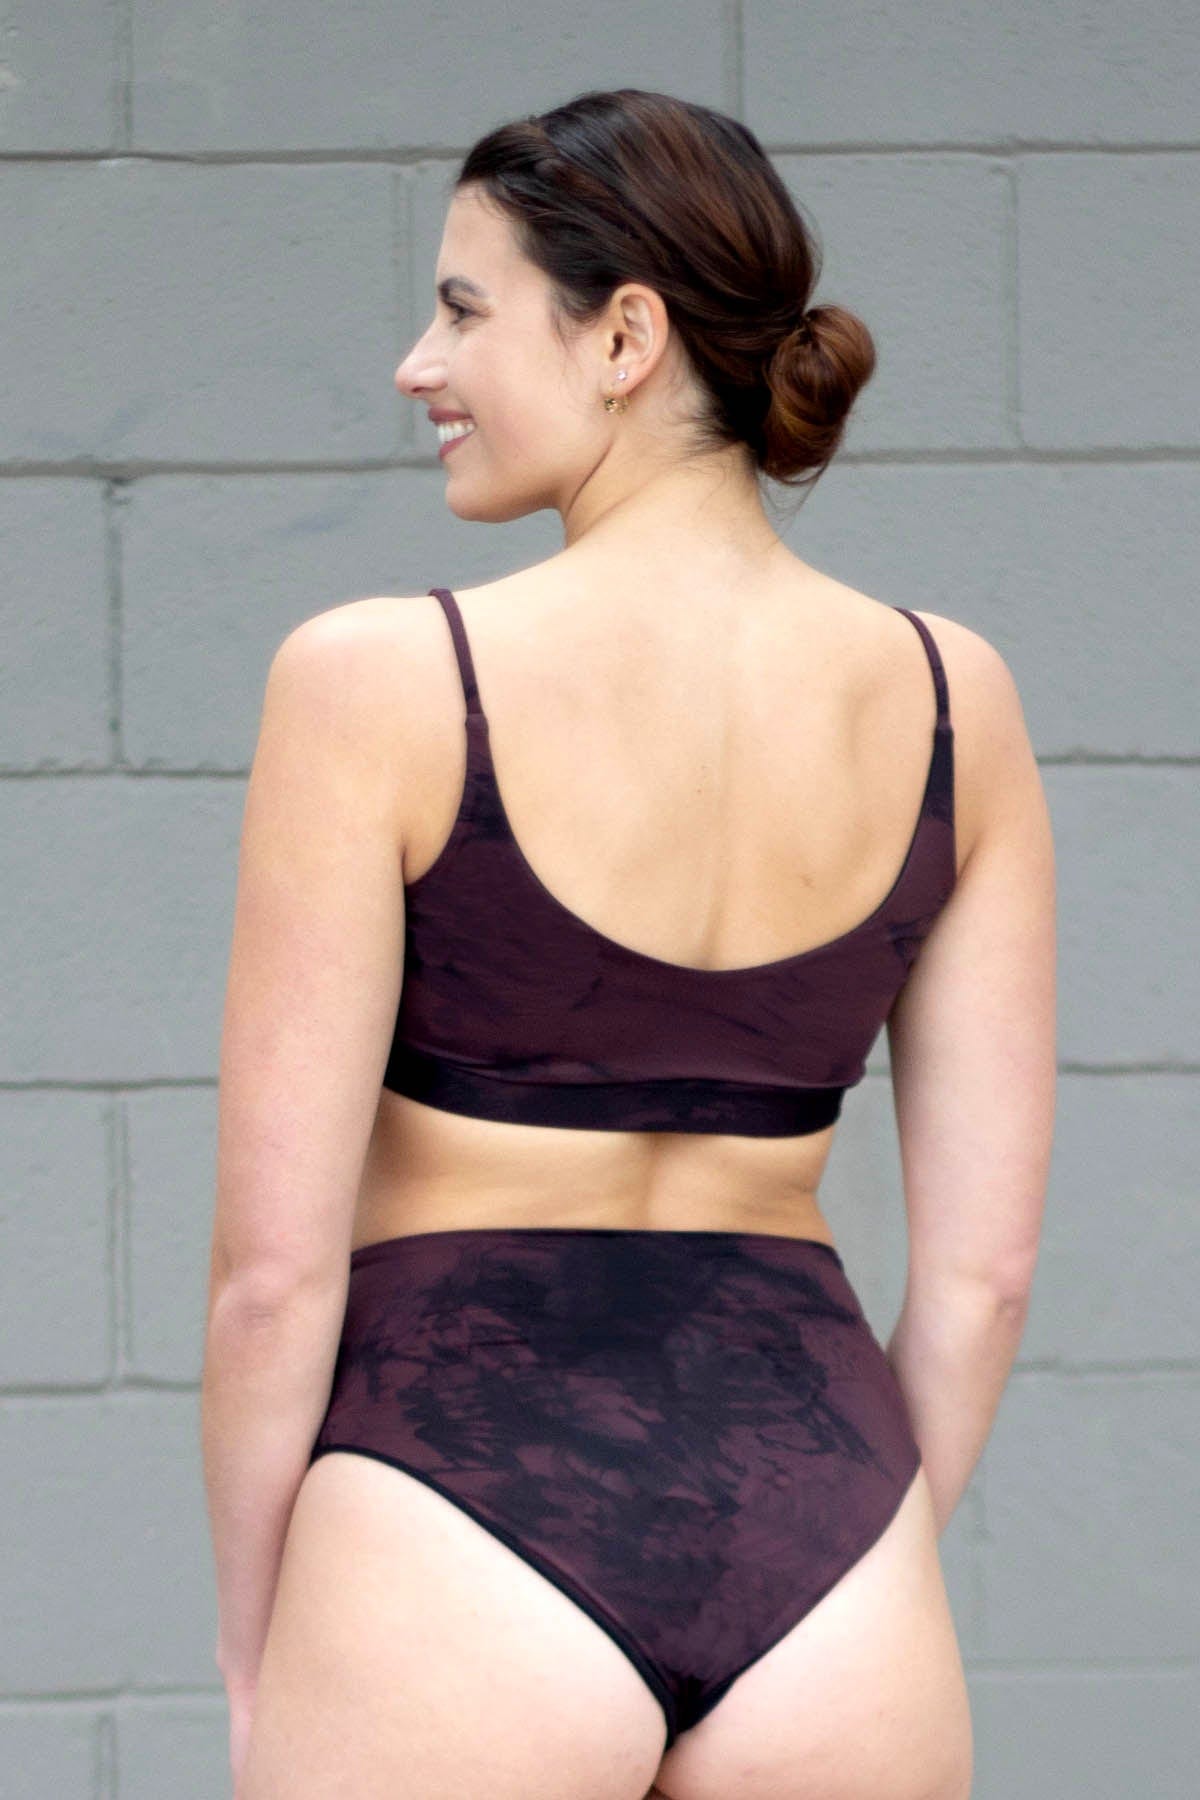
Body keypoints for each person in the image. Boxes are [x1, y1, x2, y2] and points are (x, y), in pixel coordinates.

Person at [201, 88, 1056, 1800]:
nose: (414, 367)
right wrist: (856, 1549)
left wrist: (256, 1648)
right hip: (826, 1538)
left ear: (625, 337)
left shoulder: (376, 677)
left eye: (460, 307)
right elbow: (980, 1283)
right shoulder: (958, 698)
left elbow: (270, 1281)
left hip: (455, 1508)